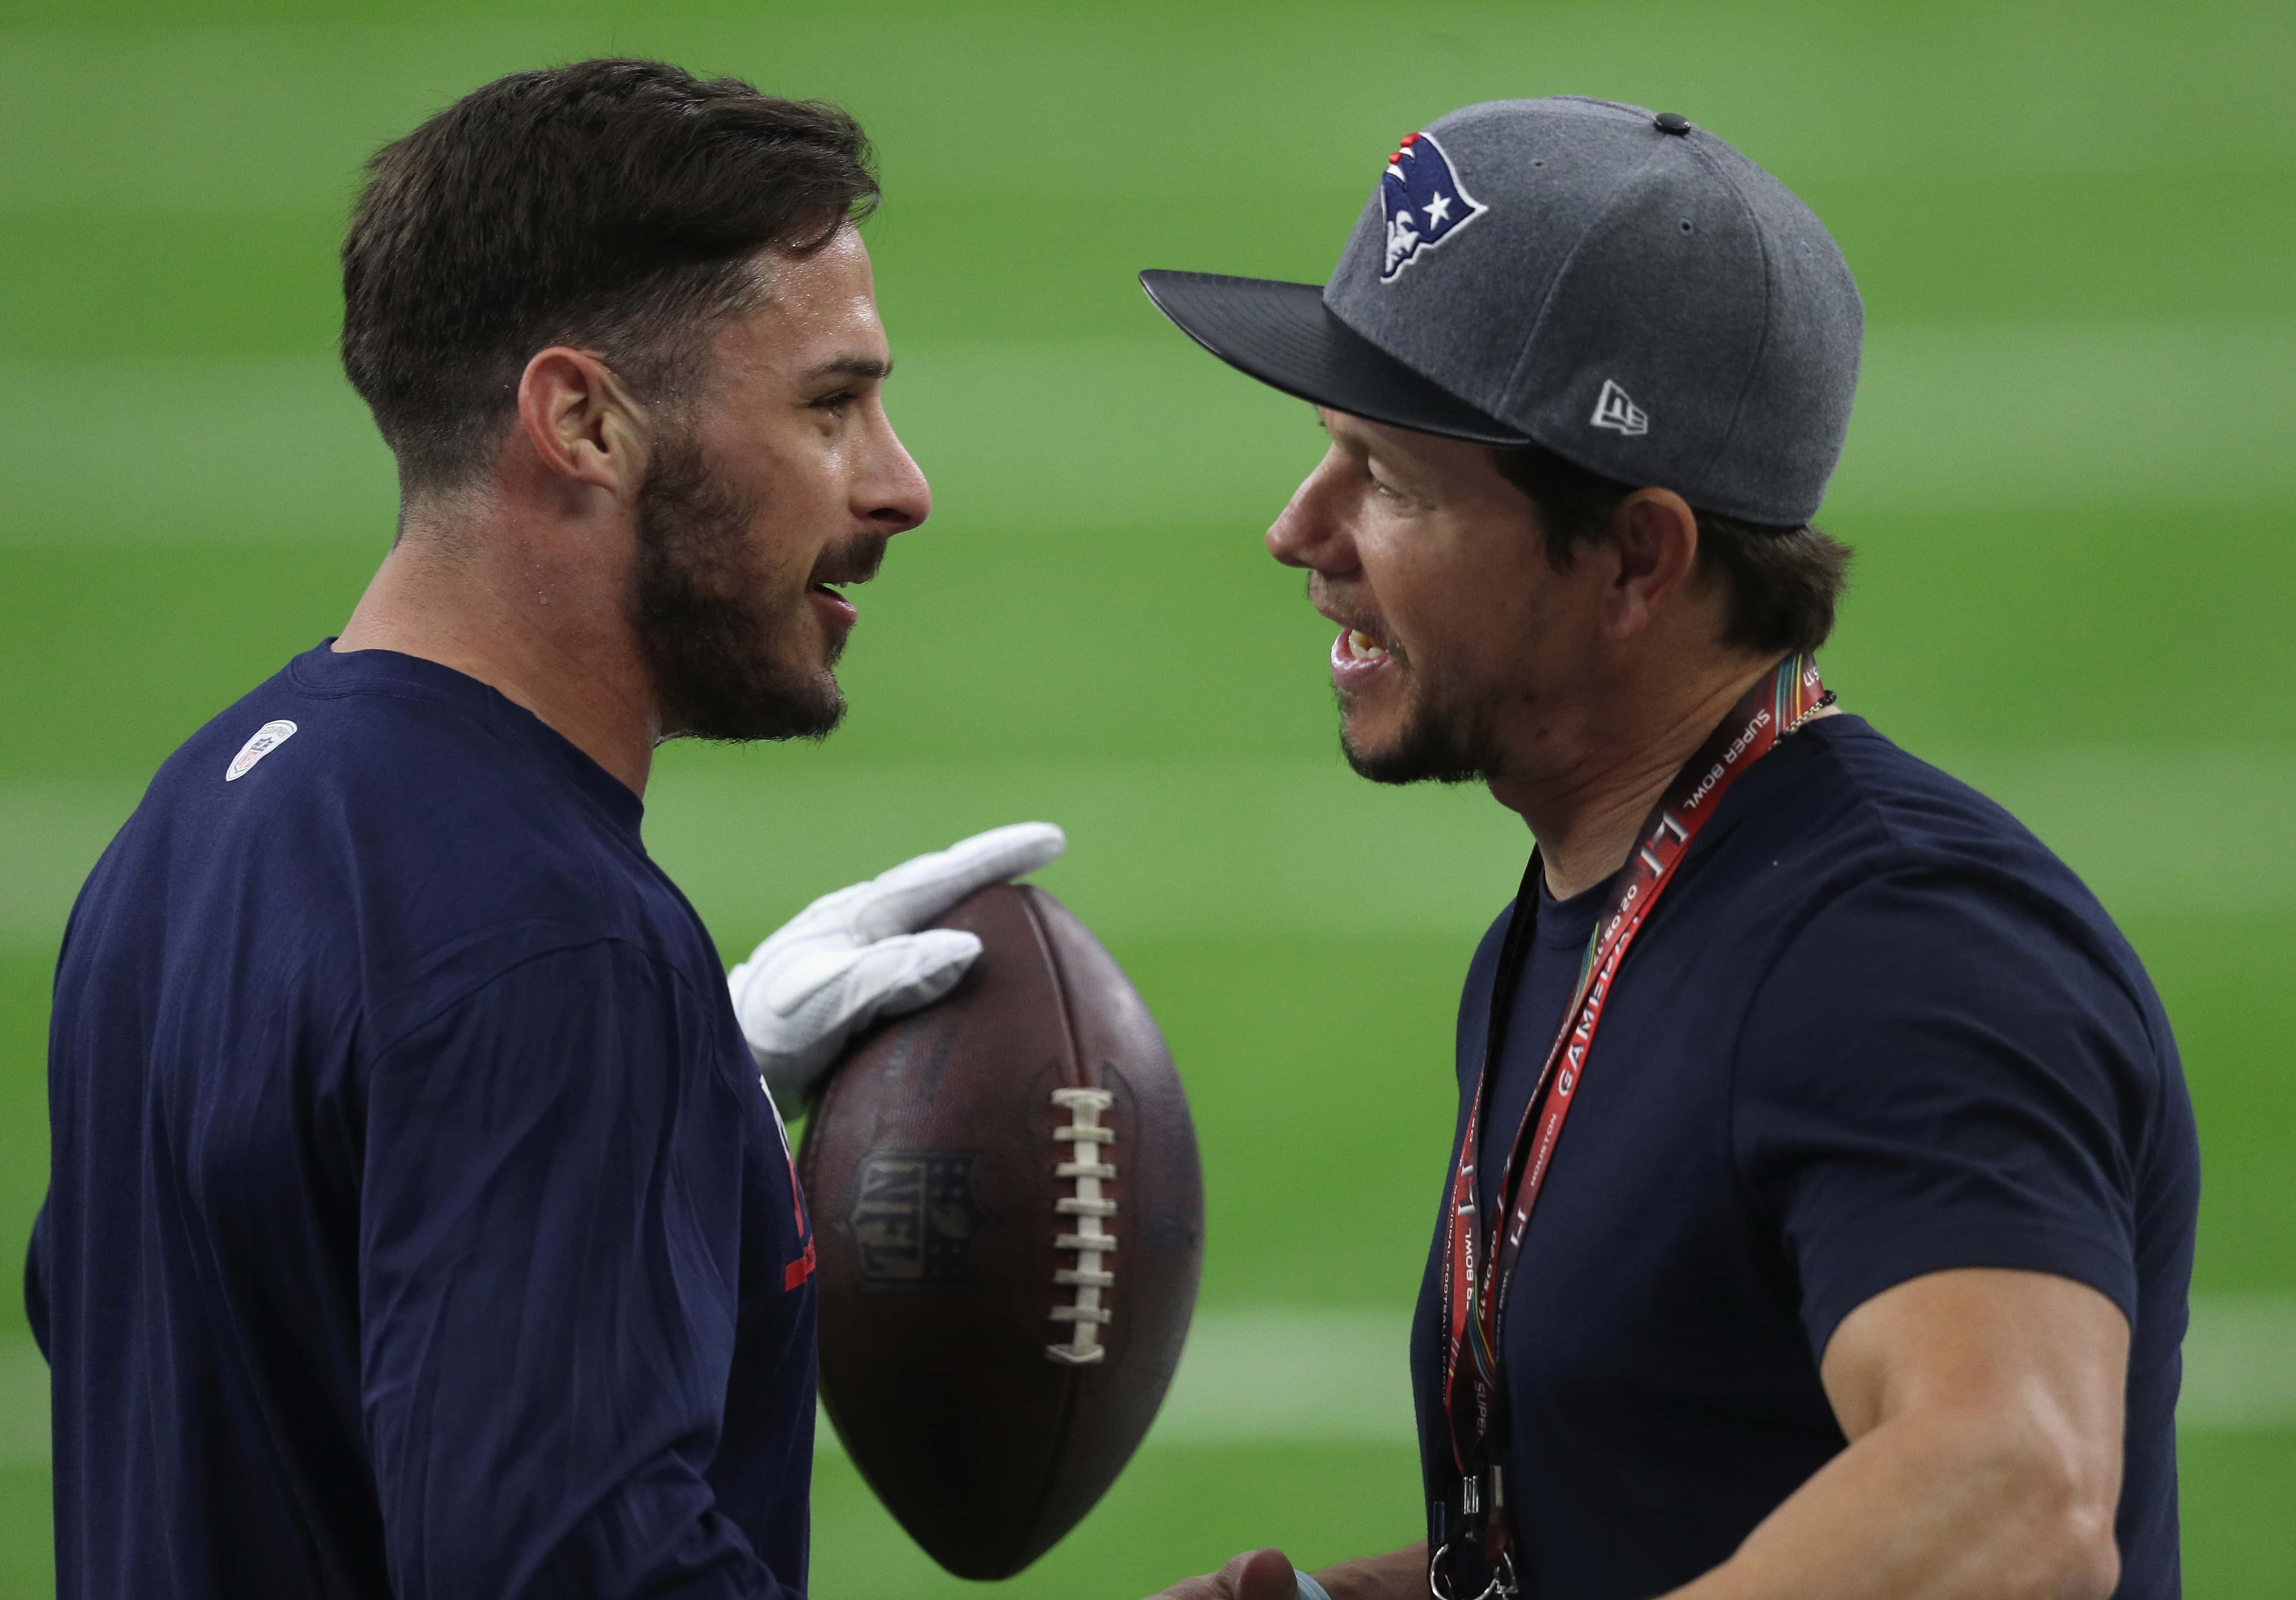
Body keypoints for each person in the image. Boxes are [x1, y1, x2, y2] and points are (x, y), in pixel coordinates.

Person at [1137, 98, 2196, 1600]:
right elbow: (1682, 1492)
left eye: (1389, 478)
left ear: (1637, 557)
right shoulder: (1581, 917)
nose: (1298, 531)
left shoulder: (1902, 946)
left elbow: (2011, 1496)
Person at [29, 59, 1057, 1599]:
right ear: (583, 419)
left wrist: (665, 1125)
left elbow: (190, 1342)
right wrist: (577, 1059)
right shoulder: (544, 937)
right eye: (832, 406)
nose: (899, 486)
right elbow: (569, 1565)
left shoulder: (204, 813)